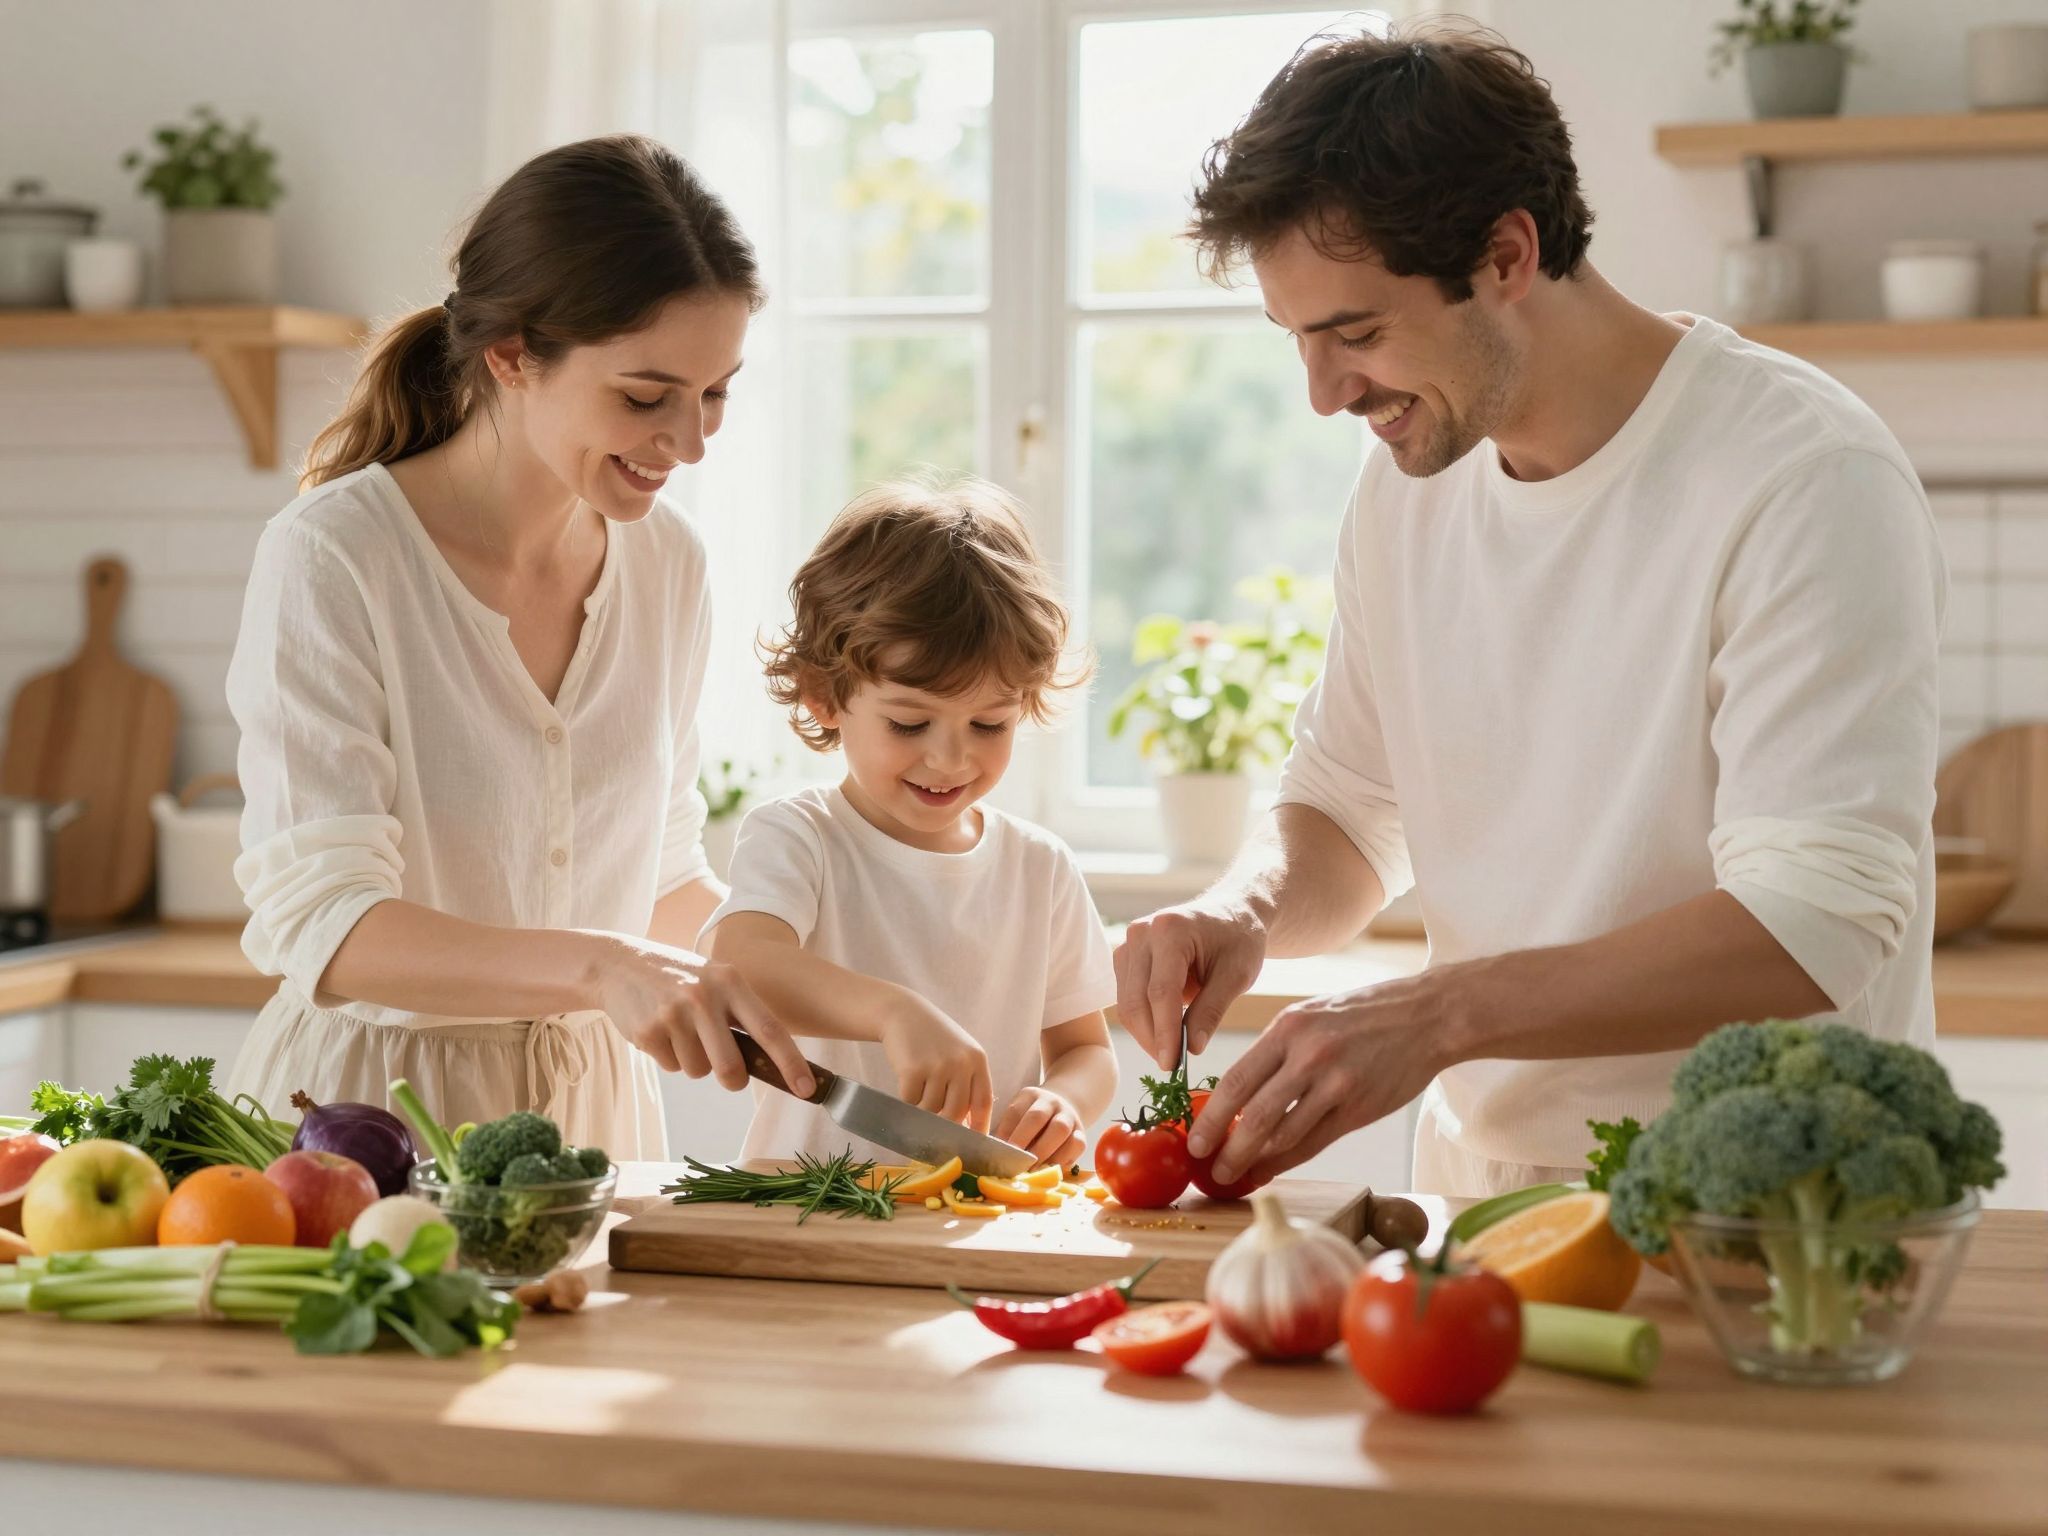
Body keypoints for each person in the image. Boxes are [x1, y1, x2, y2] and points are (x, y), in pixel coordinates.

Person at [1113, 26, 1944, 1197]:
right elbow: (1353, 810)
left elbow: (1810, 918)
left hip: (1771, 1214)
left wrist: (1439, 1014)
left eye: (1354, 332)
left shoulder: (1800, 475)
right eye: (1298, 341)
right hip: (1483, 1192)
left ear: (1506, 253)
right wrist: (1237, 911)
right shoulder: (1406, 489)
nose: (1323, 394)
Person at [225, 135, 815, 1157]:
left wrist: (854, 986)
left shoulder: (667, 563)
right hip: (363, 1127)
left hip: (592, 1122)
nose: (691, 441)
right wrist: (599, 967)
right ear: (511, 356)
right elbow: (329, 923)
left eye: (715, 390)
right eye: (644, 396)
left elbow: (663, 880)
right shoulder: (336, 555)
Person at [702, 476, 1119, 1170]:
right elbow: (741, 965)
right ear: (825, 696)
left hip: (978, 1211)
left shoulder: (1039, 868)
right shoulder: (800, 836)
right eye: (909, 722)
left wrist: (1066, 1103)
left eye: (990, 723)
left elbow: (1085, 1049)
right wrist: (894, 1012)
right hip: (804, 1206)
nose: (950, 758)